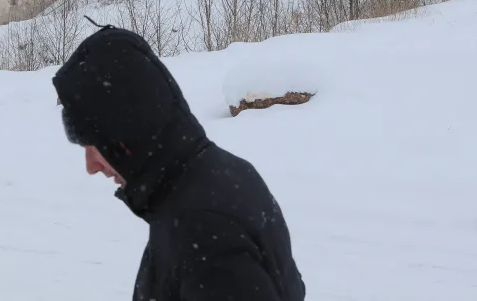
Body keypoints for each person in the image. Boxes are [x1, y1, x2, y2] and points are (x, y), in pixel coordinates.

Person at [53, 25, 305, 301]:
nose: (91, 166)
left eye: (94, 145)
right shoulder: (216, 173)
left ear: (126, 132)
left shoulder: (201, 227)